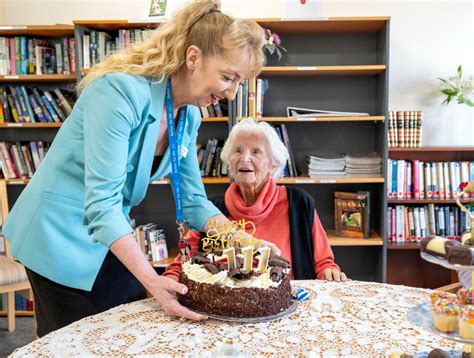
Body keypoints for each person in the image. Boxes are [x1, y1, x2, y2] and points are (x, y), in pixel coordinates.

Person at [2, 0, 279, 337]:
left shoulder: (188, 115)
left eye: (239, 82)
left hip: (107, 232)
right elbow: (102, 203)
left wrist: (243, 241)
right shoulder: (119, 92)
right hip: (57, 233)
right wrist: (151, 278)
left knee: (131, 329)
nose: (231, 92)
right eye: (227, 77)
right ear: (193, 58)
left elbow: (193, 201)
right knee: (77, 340)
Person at [164, 119, 348, 281]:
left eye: (256, 152)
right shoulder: (209, 211)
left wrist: (328, 272)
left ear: (273, 163)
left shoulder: (298, 203)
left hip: (287, 305)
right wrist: (170, 281)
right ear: (229, 161)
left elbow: (323, 262)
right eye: (237, 151)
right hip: (226, 308)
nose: (245, 159)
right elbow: (181, 264)